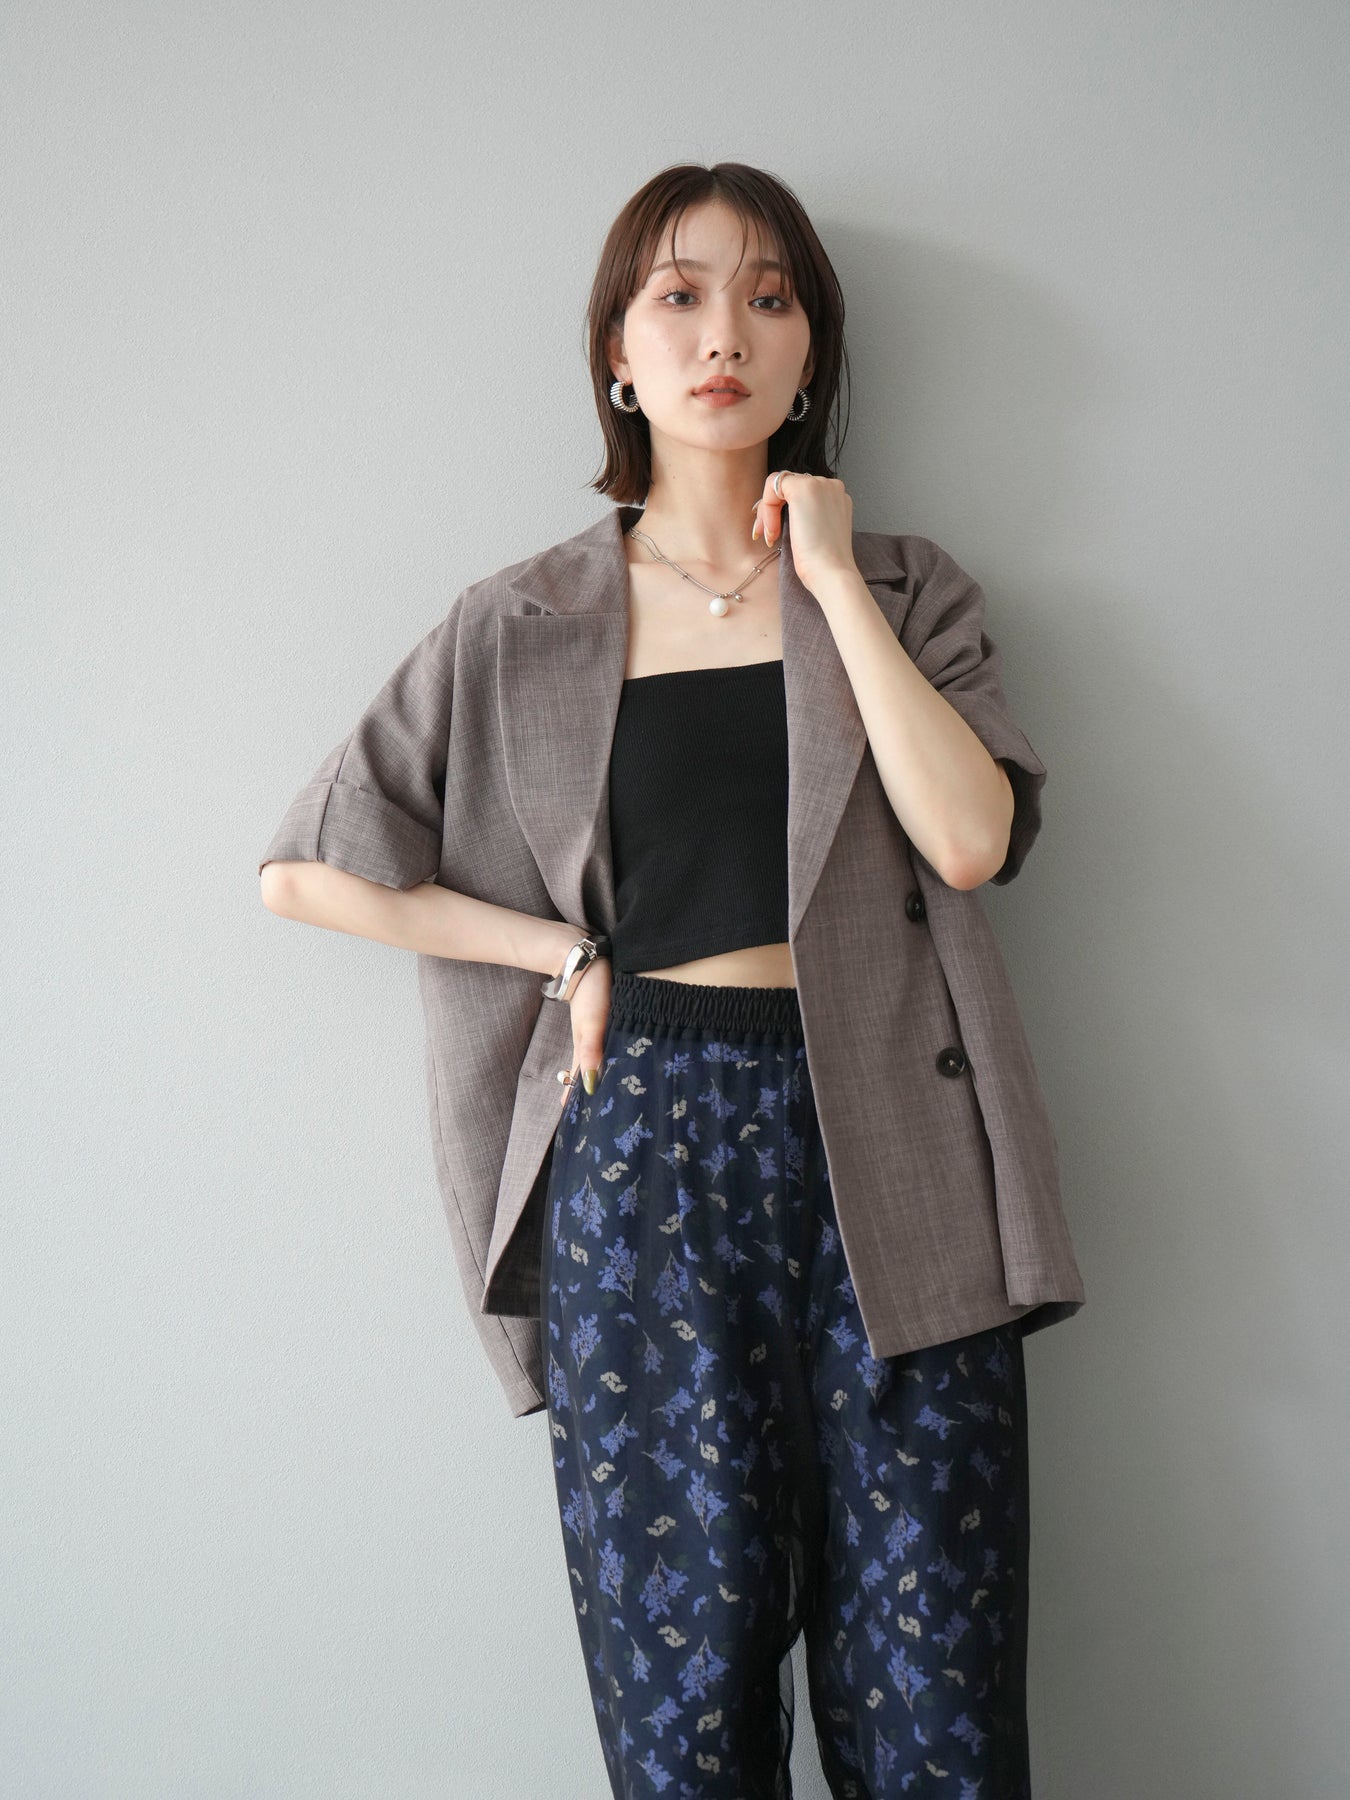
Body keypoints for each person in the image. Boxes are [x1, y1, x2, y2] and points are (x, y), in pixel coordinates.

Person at [260, 160, 1085, 1799]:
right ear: (617, 355)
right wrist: (558, 951)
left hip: (899, 1155)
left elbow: (968, 838)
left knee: (937, 1711)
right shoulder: (519, 621)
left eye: (770, 299)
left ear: (810, 353)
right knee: (684, 1712)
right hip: (645, 1153)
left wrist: (827, 577)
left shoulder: (904, 588)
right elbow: (309, 868)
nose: (725, 334)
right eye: (680, 296)